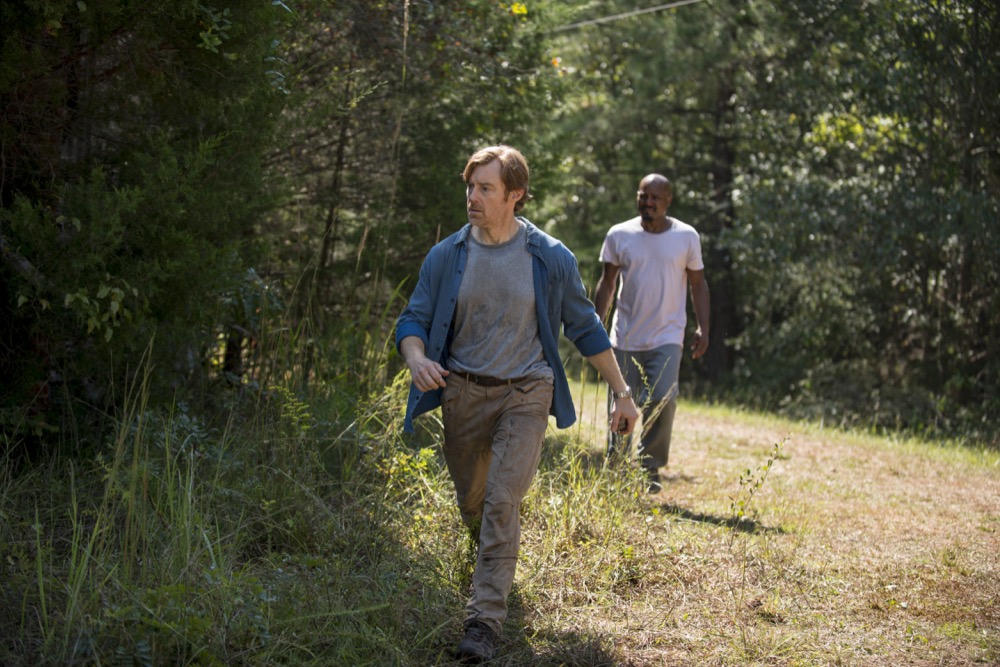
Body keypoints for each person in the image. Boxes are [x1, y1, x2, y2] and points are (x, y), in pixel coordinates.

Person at [395, 145, 639, 663]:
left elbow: (585, 327)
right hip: (462, 390)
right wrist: (416, 358)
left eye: (485, 189)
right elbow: (412, 319)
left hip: (527, 390)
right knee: (474, 501)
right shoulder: (449, 255)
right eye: (470, 187)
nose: (473, 198)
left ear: (515, 195)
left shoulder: (549, 257)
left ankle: (484, 620)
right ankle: (487, 551)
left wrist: (622, 392)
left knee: (504, 499)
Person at [593, 173, 710, 493]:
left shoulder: (687, 236)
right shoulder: (620, 234)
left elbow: (698, 285)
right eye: (643, 196)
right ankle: (616, 466)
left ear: (668, 201)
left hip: (668, 335)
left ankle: (649, 467)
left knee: (662, 399)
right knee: (620, 400)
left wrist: (704, 327)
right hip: (625, 335)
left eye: (655, 197)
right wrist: (594, 324)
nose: (648, 202)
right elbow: (608, 282)